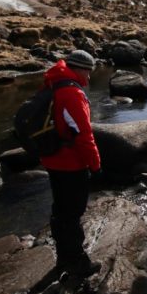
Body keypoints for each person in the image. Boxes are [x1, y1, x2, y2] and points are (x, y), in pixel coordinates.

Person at [40, 49, 102, 280]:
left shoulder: (52, 85)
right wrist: (95, 166)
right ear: (78, 68)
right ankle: (77, 263)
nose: (89, 77)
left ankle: (63, 257)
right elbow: (83, 135)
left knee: (60, 209)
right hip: (70, 164)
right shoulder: (72, 93)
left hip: (52, 158)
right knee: (73, 213)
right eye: (88, 71)